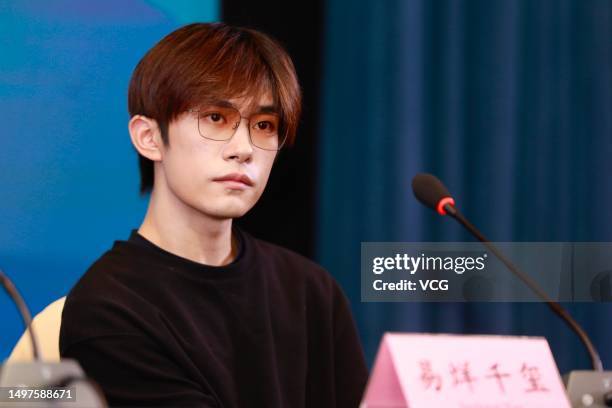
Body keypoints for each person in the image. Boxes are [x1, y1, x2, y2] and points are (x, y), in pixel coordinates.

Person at [59, 22, 369, 407]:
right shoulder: (109, 309)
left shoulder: (311, 291)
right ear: (149, 138)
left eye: (264, 125)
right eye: (216, 119)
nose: (244, 149)